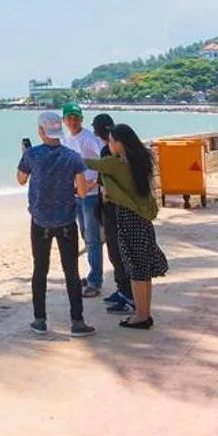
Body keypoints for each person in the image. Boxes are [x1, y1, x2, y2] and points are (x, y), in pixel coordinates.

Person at [17, 111, 95, 336]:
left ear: (41, 131)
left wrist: (25, 156)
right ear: (59, 130)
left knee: (40, 269)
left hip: (40, 221)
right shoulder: (72, 157)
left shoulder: (32, 155)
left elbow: (21, 180)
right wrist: (88, 186)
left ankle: (40, 320)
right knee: (71, 271)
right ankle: (77, 322)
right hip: (66, 222)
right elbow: (81, 191)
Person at [84, 123, 166, 329]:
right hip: (143, 219)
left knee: (135, 270)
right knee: (144, 269)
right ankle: (144, 312)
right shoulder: (142, 160)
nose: (109, 145)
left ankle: (140, 316)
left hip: (128, 219)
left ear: (120, 143)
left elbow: (86, 163)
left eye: (111, 141)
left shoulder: (115, 164)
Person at [60, 103, 105, 297]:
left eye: (76, 117)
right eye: (69, 117)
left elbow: (105, 162)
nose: (72, 120)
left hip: (91, 196)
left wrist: (94, 183)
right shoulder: (65, 139)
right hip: (74, 194)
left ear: (81, 119)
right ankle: (92, 273)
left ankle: (95, 281)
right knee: (85, 235)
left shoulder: (89, 138)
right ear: (63, 120)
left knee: (93, 238)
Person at [89, 113, 129, 310]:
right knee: (120, 252)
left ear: (96, 130)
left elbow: (104, 184)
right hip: (122, 208)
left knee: (116, 252)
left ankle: (126, 293)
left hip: (112, 209)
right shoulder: (125, 150)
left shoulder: (107, 151)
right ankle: (123, 290)